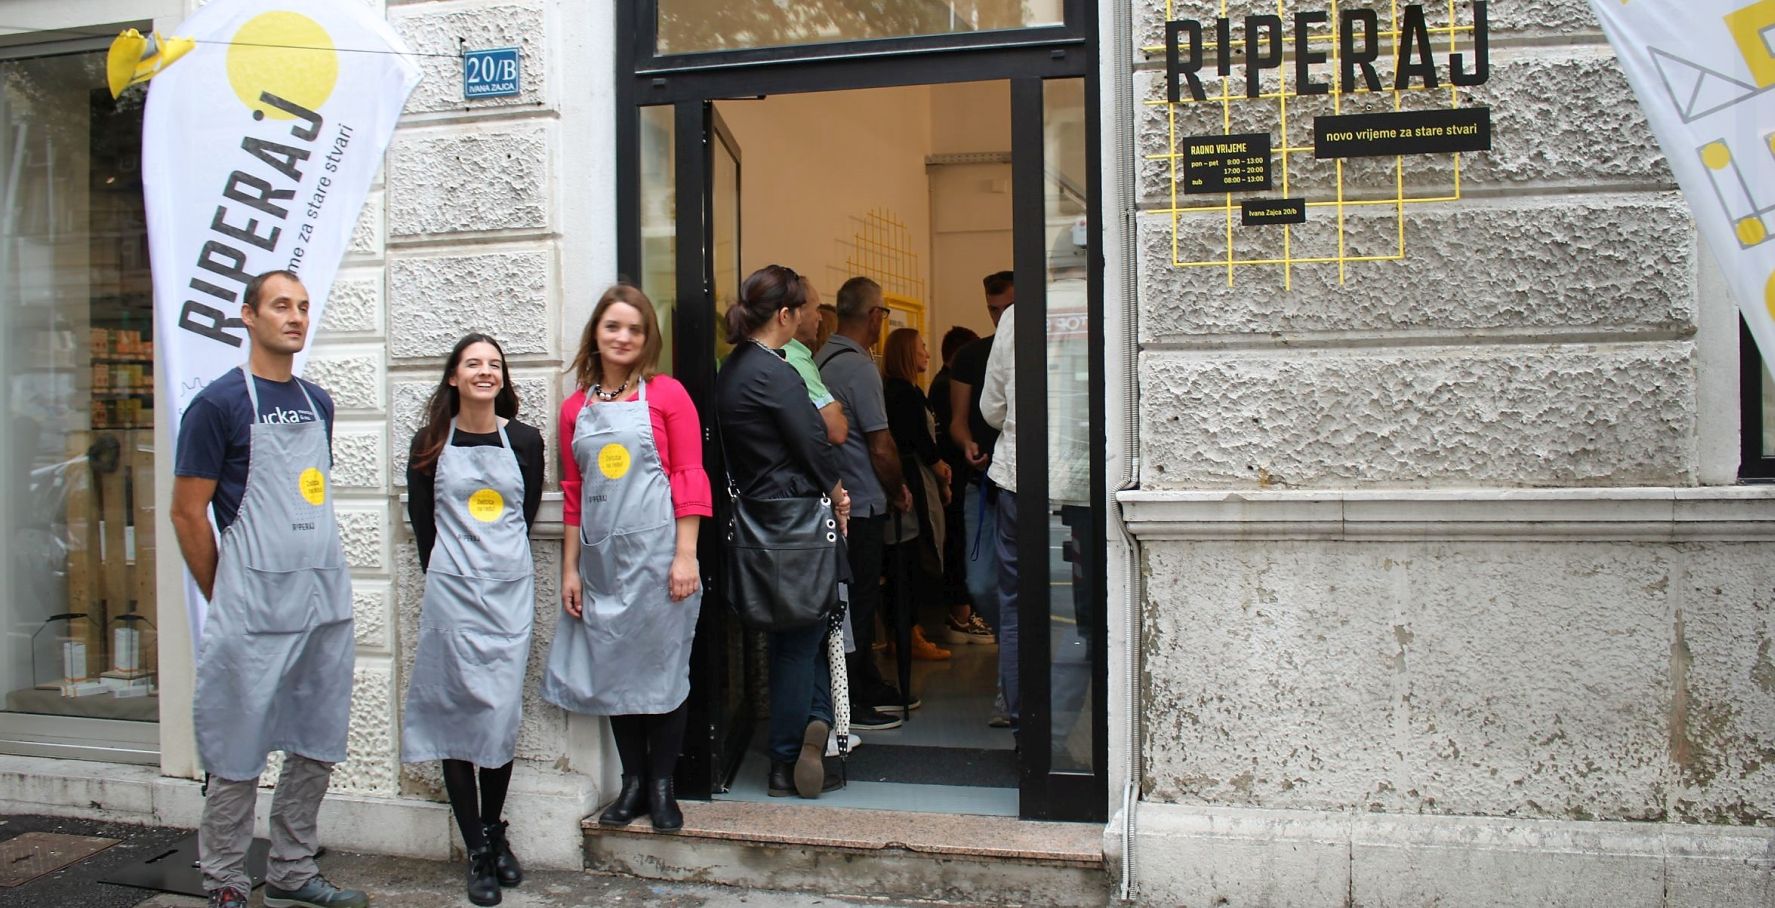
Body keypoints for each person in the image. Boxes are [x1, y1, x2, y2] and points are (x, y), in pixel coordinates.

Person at [170, 270, 365, 908]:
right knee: (236, 749)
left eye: (303, 307)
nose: (296, 316)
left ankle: (292, 870)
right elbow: (186, 513)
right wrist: (225, 590)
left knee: (316, 741)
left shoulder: (319, 402)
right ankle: (226, 881)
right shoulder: (218, 405)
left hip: (321, 602)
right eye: (281, 305)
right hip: (252, 608)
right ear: (249, 316)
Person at [541, 284, 712, 832]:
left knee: (664, 672)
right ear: (596, 332)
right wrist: (571, 569)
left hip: (660, 559)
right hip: (603, 564)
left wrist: (686, 555)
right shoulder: (575, 409)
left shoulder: (667, 395)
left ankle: (662, 785)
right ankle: (632, 783)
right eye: (613, 326)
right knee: (614, 669)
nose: (623, 337)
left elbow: (689, 476)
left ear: (647, 339)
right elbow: (573, 494)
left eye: (634, 329)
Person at [402, 333, 544, 907]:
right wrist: (455, 575)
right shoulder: (430, 443)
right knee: (455, 715)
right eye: (473, 363)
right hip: (452, 599)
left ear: (502, 378)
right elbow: (423, 525)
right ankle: (478, 850)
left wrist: (495, 569)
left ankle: (493, 827)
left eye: (494, 364)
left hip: (508, 597)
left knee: (499, 713)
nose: (485, 371)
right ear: (454, 377)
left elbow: (524, 516)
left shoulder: (526, 441)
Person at [715, 264, 852, 798]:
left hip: (763, 522)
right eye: (806, 309)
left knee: (793, 638)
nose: (810, 317)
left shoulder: (735, 366)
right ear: (786, 314)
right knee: (799, 641)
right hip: (795, 525)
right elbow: (814, 442)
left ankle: (809, 733)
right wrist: (838, 492)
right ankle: (787, 758)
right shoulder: (773, 371)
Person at [816, 277, 915, 730]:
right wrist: (898, 489)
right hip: (860, 504)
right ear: (875, 316)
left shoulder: (820, 360)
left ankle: (865, 682)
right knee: (858, 605)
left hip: (832, 500)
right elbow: (881, 445)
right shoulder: (859, 367)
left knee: (850, 601)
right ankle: (851, 697)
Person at [948, 270, 1014, 727]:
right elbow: (958, 421)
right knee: (982, 584)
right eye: (992, 309)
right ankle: (1014, 665)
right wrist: (966, 444)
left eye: (1006, 307)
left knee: (1020, 589)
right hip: (982, 483)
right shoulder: (971, 355)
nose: (999, 316)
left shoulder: (1035, 342)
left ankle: (1010, 690)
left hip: (1022, 483)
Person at [879, 327, 953, 662]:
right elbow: (918, 440)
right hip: (911, 481)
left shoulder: (908, 391)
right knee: (908, 558)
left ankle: (908, 630)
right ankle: (905, 634)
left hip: (916, 477)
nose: (927, 353)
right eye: (922, 347)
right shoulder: (903, 395)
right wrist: (940, 469)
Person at [927, 326, 993, 646]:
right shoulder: (945, 386)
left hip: (960, 476)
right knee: (960, 546)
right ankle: (962, 614)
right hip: (958, 476)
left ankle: (965, 612)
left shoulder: (940, 384)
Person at [978, 283, 1021, 738]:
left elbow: (992, 410)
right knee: (1085, 608)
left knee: (1015, 604)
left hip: (1020, 478)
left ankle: (1018, 713)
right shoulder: (1104, 300)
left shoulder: (1015, 319)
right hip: (1086, 480)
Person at [787, 283, 848, 445]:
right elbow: (836, 431)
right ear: (798, 313)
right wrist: (835, 406)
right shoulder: (795, 360)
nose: (819, 317)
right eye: (816, 309)